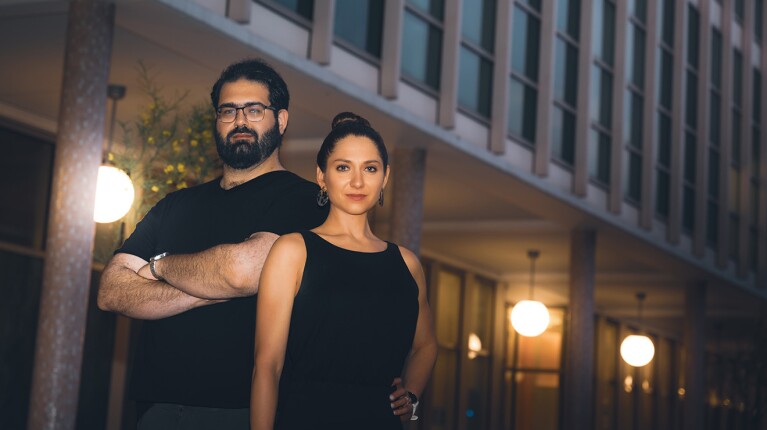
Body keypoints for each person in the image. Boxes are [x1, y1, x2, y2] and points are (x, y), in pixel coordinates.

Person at [98, 59, 414, 429]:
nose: (240, 121)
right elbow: (111, 291)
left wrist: (159, 267)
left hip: (243, 411)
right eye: (228, 111)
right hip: (157, 409)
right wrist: (211, 281)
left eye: (254, 110)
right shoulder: (175, 205)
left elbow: (243, 271)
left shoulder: (309, 200)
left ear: (280, 120)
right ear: (217, 121)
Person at [251, 112, 438, 430]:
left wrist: (413, 400)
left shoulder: (407, 264)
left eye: (370, 168)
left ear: (385, 177)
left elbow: (427, 345)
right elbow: (267, 366)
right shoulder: (293, 251)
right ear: (322, 177)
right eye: (343, 167)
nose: (357, 182)